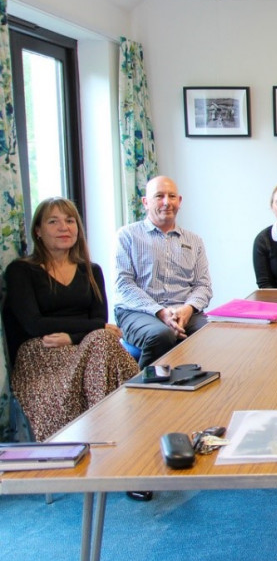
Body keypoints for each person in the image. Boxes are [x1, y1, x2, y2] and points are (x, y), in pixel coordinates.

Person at [2, 198, 138, 440]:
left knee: (103, 341)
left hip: (86, 347)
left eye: (70, 220)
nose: (64, 227)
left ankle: (101, 430)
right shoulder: (21, 270)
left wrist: (73, 337)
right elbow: (34, 324)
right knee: (102, 339)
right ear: (38, 231)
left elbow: (100, 319)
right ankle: (110, 430)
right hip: (41, 352)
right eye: (53, 221)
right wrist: (94, 327)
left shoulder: (91, 270)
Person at [115, 176, 213, 368]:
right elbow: (124, 284)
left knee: (213, 332)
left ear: (180, 201)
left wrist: (188, 309)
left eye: (172, 196)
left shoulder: (195, 241)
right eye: (159, 196)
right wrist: (160, 312)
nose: (167, 202)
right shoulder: (127, 236)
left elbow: (203, 285)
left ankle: (196, 389)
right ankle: (143, 394)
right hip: (139, 312)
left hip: (184, 311)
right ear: (145, 202)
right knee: (161, 335)